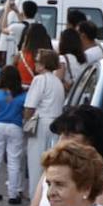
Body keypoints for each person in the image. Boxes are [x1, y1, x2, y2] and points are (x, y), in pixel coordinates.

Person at [23, 48, 66, 193]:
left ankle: (34, 199)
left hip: (41, 122)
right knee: (50, 164)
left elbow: (30, 106)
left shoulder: (39, 79)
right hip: (56, 124)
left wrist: (26, 122)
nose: (35, 64)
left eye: (37, 61)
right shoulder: (58, 82)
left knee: (36, 163)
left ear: (43, 64)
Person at [0, 67, 28, 205]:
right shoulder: (22, 95)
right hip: (15, 127)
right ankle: (13, 194)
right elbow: (25, 115)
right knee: (14, 161)